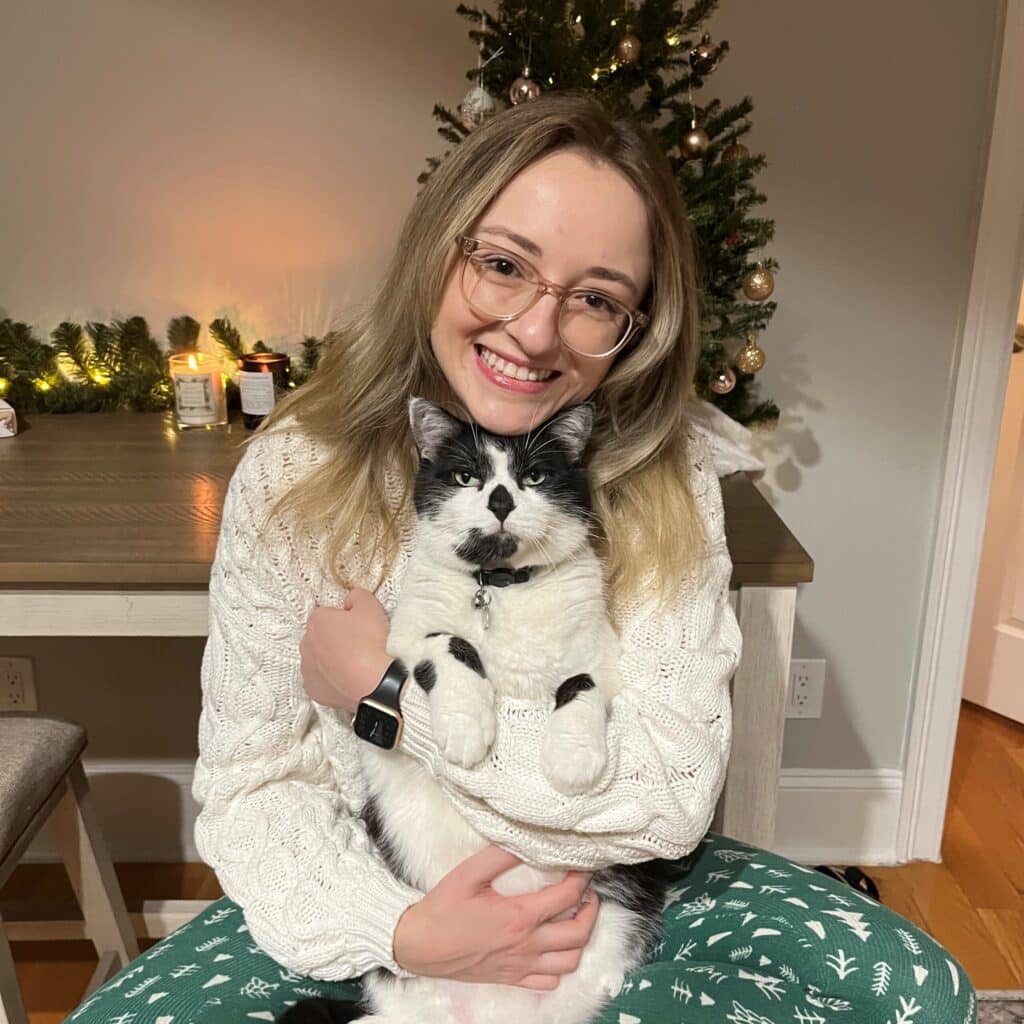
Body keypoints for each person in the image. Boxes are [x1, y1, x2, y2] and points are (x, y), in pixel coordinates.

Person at [68, 92, 977, 1024]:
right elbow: (252, 787)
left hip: (613, 892)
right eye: (503, 265)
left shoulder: (672, 481)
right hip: (369, 887)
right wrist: (408, 932)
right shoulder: (297, 475)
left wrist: (387, 698)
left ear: (638, 325)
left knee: (918, 994)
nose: (536, 334)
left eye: (594, 299)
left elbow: (661, 801)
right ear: (436, 255)